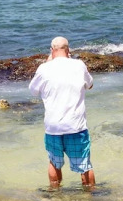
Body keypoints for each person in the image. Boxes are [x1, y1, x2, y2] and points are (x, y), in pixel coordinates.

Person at [29, 36, 95, 190]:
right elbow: (90, 85)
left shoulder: (44, 68)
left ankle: (55, 193)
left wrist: (47, 62)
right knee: (84, 164)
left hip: (53, 127)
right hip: (76, 126)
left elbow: (33, 91)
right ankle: (90, 195)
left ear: (51, 50)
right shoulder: (79, 65)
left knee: (54, 162)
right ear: (68, 50)